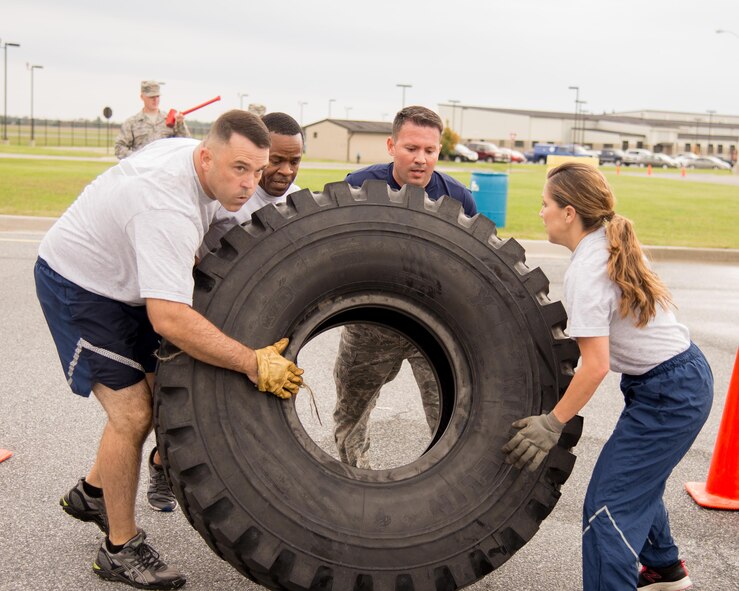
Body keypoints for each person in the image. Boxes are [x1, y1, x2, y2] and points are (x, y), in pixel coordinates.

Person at [35, 110, 304, 590]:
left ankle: (93, 494)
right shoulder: (167, 210)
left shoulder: (193, 162)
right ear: (206, 156)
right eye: (239, 168)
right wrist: (250, 361)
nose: (250, 183)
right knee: (132, 415)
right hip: (79, 286)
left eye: (258, 171)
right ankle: (119, 550)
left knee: (162, 393)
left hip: (125, 280)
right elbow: (170, 318)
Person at [502, 161, 713, 591]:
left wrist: (552, 423)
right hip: (674, 382)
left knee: (607, 506)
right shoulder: (606, 244)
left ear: (568, 213)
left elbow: (594, 366)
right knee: (636, 481)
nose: (539, 211)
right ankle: (664, 570)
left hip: (671, 394)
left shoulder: (588, 270)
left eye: (545, 204)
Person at [333, 105, 477, 469]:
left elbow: (476, 269)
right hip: (372, 326)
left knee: (453, 415)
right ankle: (354, 486)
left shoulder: (456, 199)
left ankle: (447, 490)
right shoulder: (360, 186)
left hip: (433, 326)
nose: (420, 159)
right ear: (391, 146)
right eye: (411, 148)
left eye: (429, 150)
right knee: (351, 416)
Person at [199, 112, 304, 257]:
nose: (287, 171)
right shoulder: (224, 194)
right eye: (276, 160)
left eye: (294, 162)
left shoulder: (298, 201)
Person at [114, 80, 190, 160]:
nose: (155, 100)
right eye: (151, 97)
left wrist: (180, 124)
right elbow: (119, 147)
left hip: (165, 168)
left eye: (157, 96)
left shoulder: (170, 120)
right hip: (142, 169)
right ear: (142, 97)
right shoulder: (132, 123)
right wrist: (137, 158)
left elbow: (185, 143)